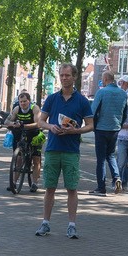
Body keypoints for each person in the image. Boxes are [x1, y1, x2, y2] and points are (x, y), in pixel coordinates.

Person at [35, 63, 93, 239]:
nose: (64, 78)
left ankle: (71, 225)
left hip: (71, 150)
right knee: (49, 187)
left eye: (67, 75)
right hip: (53, 148)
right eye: (61, 75)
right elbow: (40, 122)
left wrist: (74, 131)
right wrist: (50, 126)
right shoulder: (52, 99)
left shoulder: (82, 101)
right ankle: (45, 223)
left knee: (72, 188)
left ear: (74, 77)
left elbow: (90, 125)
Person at [90, 70, 128, 194]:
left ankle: (101, 188)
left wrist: (92, 126)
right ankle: (117, 178)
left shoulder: (101, 92)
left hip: (101, 129)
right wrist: (119, 125)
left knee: (100, 159)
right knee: (111, 155)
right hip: (115, 129)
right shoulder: (123, 94)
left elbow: (93, 111)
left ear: (106, 79)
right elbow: (125, 113)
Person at [4, 91, 42, 193]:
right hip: (22, 133)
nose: (23, 103)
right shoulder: (17, 109)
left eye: (25, 101)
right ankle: (14, 183)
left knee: (36, 159)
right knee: (18, 159)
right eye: (21, 101)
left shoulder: (35, 108)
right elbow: (6, 122)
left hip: (34, 134)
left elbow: (38, 124)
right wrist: (13, 123)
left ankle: (34, 183)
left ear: (29, 101)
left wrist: (23, 125)